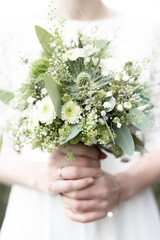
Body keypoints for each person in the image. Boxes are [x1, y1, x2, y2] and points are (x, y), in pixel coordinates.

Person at [0, 0, 160, 239]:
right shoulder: (11, 32)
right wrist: (44, 177)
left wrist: (122, 186)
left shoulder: (147, 33)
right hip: (38, 217)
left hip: (127, 215)